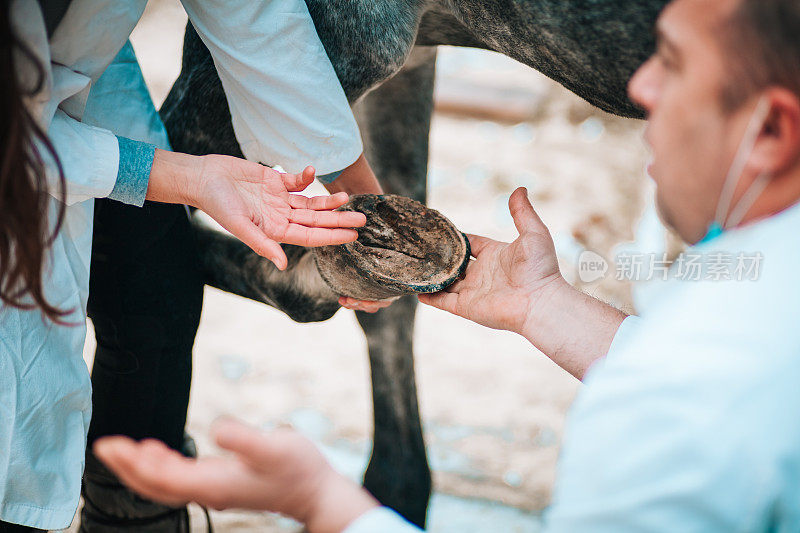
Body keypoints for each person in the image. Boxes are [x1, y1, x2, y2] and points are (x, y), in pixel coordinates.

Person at [96, 0, 800, 530]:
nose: (641, 87)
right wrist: (545, 304)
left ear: (769, 129)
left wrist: (323, 502)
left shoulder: (668, 414)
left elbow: (694, 390)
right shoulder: (760, 316)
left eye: (671, 61)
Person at [0, 0, 378, 530]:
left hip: (82, 67)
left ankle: (134, 514)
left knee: (157, 282)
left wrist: (358, 193)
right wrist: (188, 178)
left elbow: (251, 9)